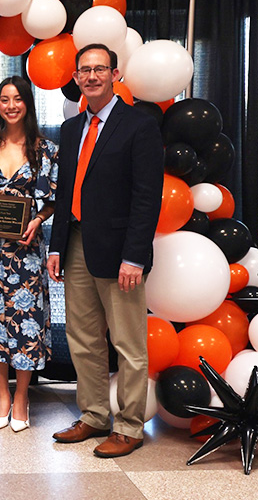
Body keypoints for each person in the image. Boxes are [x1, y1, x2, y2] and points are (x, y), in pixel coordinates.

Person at [47, 43, 163, 457]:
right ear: (76, 78)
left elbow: (147, 198)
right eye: (84, 70)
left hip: (119, 252)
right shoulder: (71, 128)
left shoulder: (139, 126)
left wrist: (134, 256)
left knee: (128, 343)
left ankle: (129, 426)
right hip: (76, 243)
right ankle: (94, 416)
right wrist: (56, 246)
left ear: (115, 75)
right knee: (82, 338)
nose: (92, 76)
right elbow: (65, 194)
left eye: (100, 69)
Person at [0, 76, 58, 433]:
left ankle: (21, 396)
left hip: (26, 253)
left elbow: (53, 201)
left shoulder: (46, 150)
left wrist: (37, 219)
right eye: (4, 100)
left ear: (28, 104)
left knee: (25, 324)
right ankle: (2, 394)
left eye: (17, 99)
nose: (11, 105)